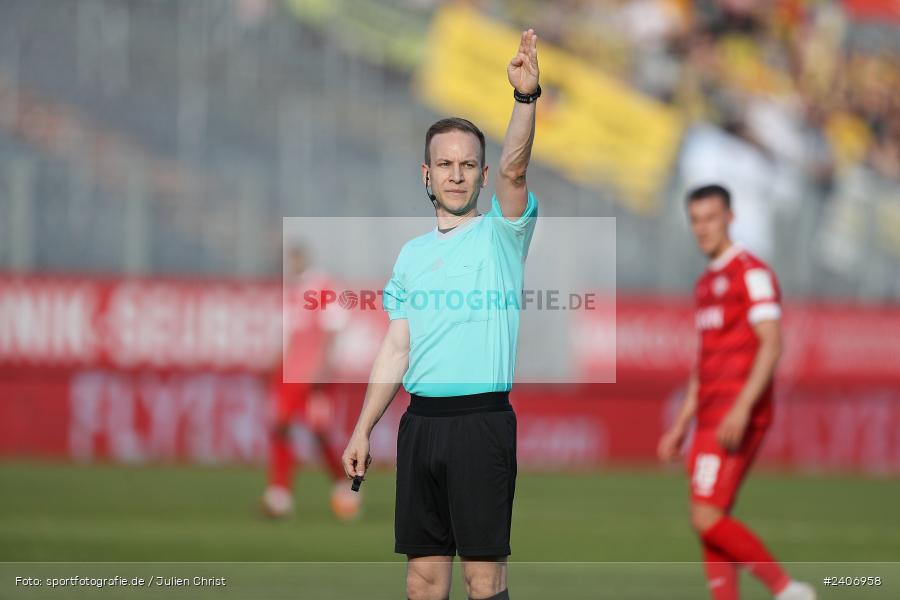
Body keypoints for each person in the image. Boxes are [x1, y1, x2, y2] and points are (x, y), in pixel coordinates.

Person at [341, 29, 542, 600]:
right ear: (426, 174)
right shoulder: (410, 255)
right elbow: (396, 348)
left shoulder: (503, 236)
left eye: (468, 164)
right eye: (445, 164)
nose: (457, 173)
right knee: (423, 579)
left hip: (481, 424)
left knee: (484, 578)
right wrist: (363, 426)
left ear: (480, 174)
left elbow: (517, 172)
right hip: (420, 425)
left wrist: (524, 100)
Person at [658, 184, 815, 600]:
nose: (703, 228)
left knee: (705, 515)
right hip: (709, 415)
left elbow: (773, 341)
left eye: (711, 218)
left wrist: (743, 407)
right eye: (696, 220)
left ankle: (786, 590)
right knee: (711, 517)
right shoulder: (706, 283)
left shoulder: (752, 272)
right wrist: (680, 425)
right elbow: (703, 362)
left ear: (730, 217)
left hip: (735, 412)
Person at [261, 244, 360, 521]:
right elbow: (288, 334)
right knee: (280, 424)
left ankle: (344, 485)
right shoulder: (291, 291)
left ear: (305, 258)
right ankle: (279, 495)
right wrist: (275, 364)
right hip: (290, 375)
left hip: (313, 375)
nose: (291, 263)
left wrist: (323, 367)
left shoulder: (325, 286)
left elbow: (333, 330)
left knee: (319, 433)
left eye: (295, 257)